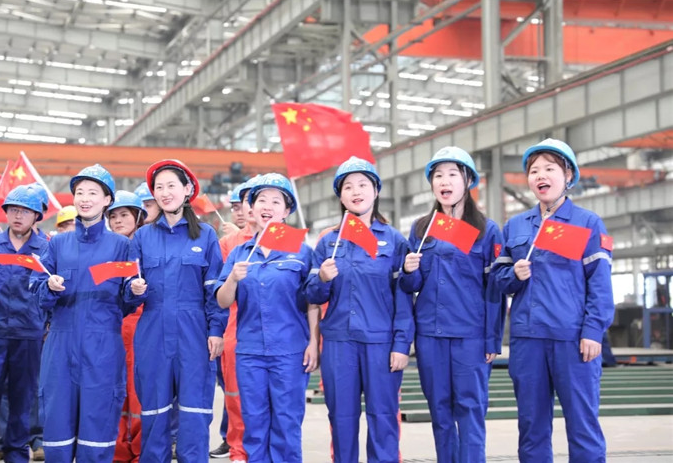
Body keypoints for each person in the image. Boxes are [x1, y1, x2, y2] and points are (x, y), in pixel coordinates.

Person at [491, 138, 614, 463]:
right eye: (534, 171)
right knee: (531, 427)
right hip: (528, 340)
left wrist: (593, 331)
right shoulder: (516, 226)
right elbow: (498, 281)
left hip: (572, 340)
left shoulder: (588, 224)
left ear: (567, 175)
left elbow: (600, 284)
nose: (540, 175)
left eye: (549, 169)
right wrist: (514, 274)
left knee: (583, 425)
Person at [399, 147, 506, 462]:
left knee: (470, 410)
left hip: (469, 336)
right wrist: (409, 270)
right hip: (430, 336)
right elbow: (412, 287)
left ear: (468, 180)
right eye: (438, 175)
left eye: (452, 174)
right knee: (440, 411)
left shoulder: (486, 230)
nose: (444, 181)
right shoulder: (422, 229)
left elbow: (494, 289)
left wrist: (492, 339)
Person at [304, 157, 414, 463]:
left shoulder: (394, 241)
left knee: (383, 418)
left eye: (363, 184)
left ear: (376, 191)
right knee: (341, 419)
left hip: (381, 343)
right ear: (340, 196)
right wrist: (322, 278)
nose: (356, 191)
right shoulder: (328, 242)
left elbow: (404, 296)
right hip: (339, 343)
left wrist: (402, 344)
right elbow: (311, 295)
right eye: (348, 187)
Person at [30, 164, 140, 462]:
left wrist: (135, 290)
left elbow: (127, 298)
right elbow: (37, 289)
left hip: (102, 345)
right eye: (80, 192)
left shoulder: (121, 246)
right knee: (57, 420)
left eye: (93, 193)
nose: (85, 199)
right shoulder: (58, 244)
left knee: (98, 421)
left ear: (107, 200)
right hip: (60, 343)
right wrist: (48, 286)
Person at [216, 173, 319, 463]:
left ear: (286, 211)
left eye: (276, 201)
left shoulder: (302, 251)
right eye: (261, 200)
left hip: (290, 352)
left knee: (287, 421)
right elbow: (222, 301)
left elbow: (313, 300)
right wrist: (232, 279)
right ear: (252, 208)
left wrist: (314, 343)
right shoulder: (239, 253)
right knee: (254, 422)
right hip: (250, 352)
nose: (268, 206)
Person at [128, 159, 226, 462]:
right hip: (153, 329)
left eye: (171, 185)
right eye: (159, 187)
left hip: (193, 330)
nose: (165, 192)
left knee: (195, 409)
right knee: (154, 409)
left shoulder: (205, 235)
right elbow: (128, 289)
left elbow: (213, 289)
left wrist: (216, 330)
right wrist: (133, 290)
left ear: (187, 190)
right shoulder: (143, 236)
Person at [0, 185, 48, 463]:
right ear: (5, 213)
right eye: (13, 210)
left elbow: (53, 290)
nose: (18, 216)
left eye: (25, 211)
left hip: (28, 334)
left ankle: (16, 453)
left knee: (22, 399)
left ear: (36, 216)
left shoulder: (46, 249)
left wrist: (47, 324)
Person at [212, 175, 261, 462]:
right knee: (235, 396)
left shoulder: (292, 245)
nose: (249, 208)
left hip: (277, 337)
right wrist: (216, 331)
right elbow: (217, 293)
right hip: (235, 331)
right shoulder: (229, 244)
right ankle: (238, 451)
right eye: (244, 202)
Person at [107, 191, 146, 463]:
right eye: (113, 216)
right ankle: (118, 452)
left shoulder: (147, 247)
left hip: (141, 326)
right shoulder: (105, 249)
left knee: (139, 391)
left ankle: (142, 451)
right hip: (111, 327)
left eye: (124, 215)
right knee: (114, 391)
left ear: (138, 217)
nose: (118, 220)